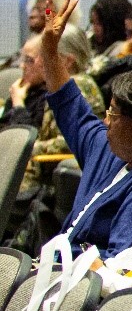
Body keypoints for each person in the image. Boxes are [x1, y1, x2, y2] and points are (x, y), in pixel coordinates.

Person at [38, 0, 132, 257]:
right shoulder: (111, 150)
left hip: (87, 287)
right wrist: (49, 51)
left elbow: (119, 260)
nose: (105, 121)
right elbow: (71, 106)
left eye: (114, 114)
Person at [1, 27, 103, 199]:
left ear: (67, 61)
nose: (41, 62)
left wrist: (26, 148)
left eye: (47, 56)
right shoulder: (59, 87)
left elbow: (73, 140)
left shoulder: (77, 86)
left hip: (43, 182)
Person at [86, 0, 132, 75]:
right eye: (93, 23)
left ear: (114, 24)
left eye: (99, 23)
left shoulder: (126, 51)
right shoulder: (90, 44)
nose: (94, 29)